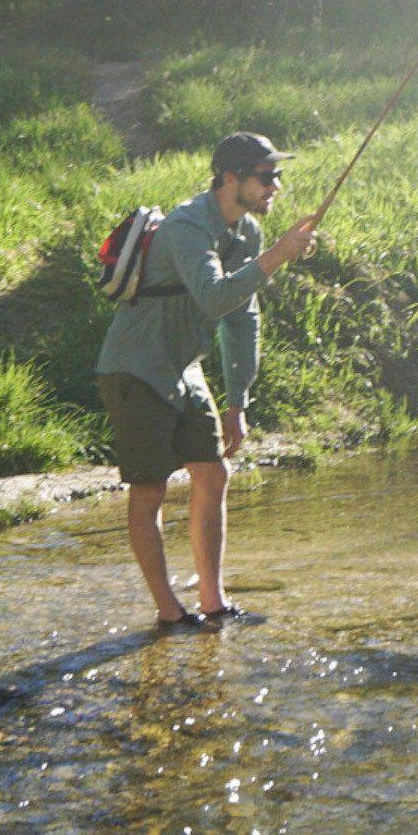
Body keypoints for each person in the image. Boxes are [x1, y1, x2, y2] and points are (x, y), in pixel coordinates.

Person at [96, 132, 317, 628]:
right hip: (135, 368)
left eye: (278, 175)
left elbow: (241, 315)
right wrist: (279, 255)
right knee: (149, 490)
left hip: (183, 369)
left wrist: (238, 400)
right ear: (231, 179)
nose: (275, 186)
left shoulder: (247, 233)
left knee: (213, 475)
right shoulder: (187, 227)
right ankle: (169, 611)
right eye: (266, 177)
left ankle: (213, 603)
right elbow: (215, 297)